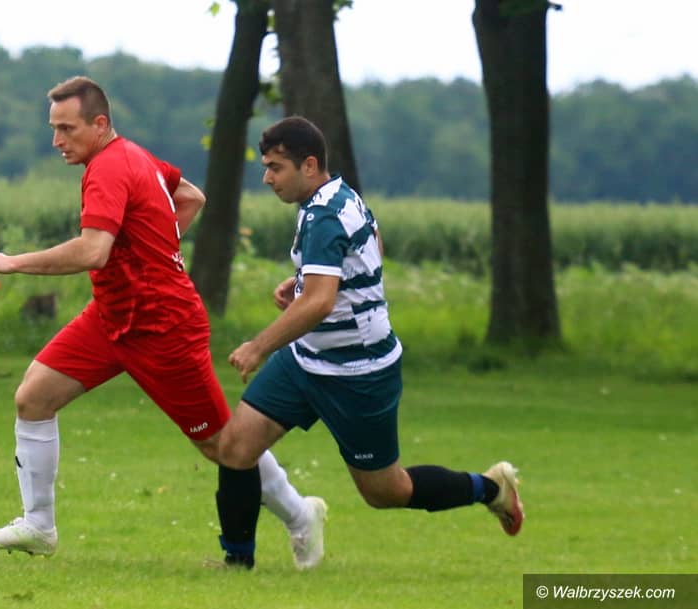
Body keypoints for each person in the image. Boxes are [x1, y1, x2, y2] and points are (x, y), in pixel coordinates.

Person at [0, 76, 327, 569]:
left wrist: (12, 262)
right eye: (53, 128)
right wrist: (152, 248)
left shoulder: (109, 167)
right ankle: (38, 527)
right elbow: (192, 196)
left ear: (99, 123)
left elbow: (93, 251)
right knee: (33, 397)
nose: (56, 140)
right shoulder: (134, 155)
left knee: (223, 445)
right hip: (111, 317)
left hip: (163, 327)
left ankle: (301, 515)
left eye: (67, 129)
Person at [213, 116, 524, 568]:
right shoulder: (337, 195)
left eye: (275, 168)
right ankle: (237, 564)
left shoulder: (324, 213)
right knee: (236, 447)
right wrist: (303, 279)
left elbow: (320, 303)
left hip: (358, 373)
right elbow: (367, 248)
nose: (267, 178)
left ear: (309, 165)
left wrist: (259, 346)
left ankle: (492, 488)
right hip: (307, 359)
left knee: (386, 491)